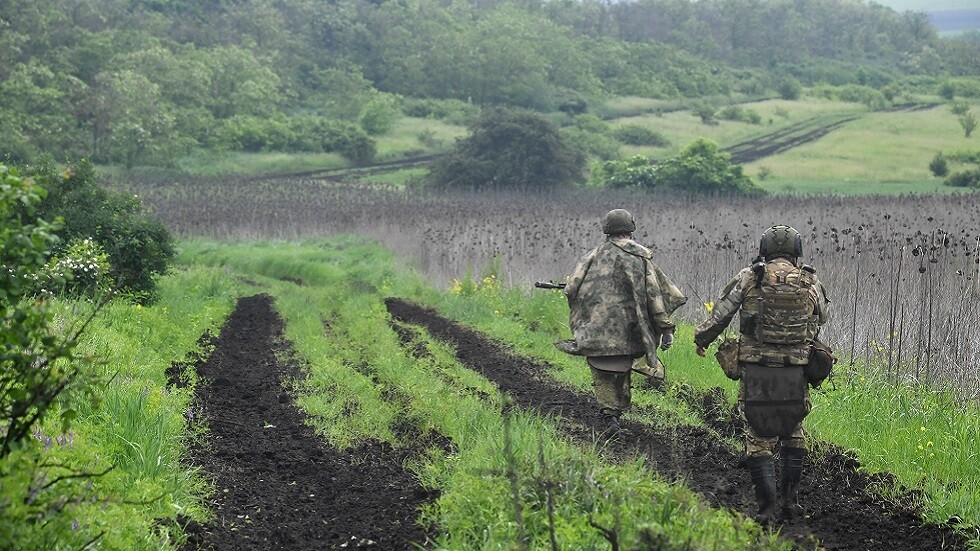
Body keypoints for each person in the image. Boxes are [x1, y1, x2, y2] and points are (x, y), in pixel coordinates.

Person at [694, 224, 830, 521]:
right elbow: (823, 316)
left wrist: (701, 339)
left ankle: (767, 507)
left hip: (756, 370)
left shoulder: (750, 276)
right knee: (793, 431)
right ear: (797, 251)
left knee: (757, 435)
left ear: (764, 249)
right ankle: (790, 503)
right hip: (795, 371)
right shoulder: (809, 280)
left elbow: (720, 315)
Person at [558, 209, 687, 435]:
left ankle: (610, 416)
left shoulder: (591, 257)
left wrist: (586, 314)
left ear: (606, 230)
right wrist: (666, 329)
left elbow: (571, 290)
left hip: (595, 332)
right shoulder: (641, 259)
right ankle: (614, 415)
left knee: (603, 370)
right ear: (631, 229)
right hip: (630, 331)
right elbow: (657, 296)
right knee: (623, 365)